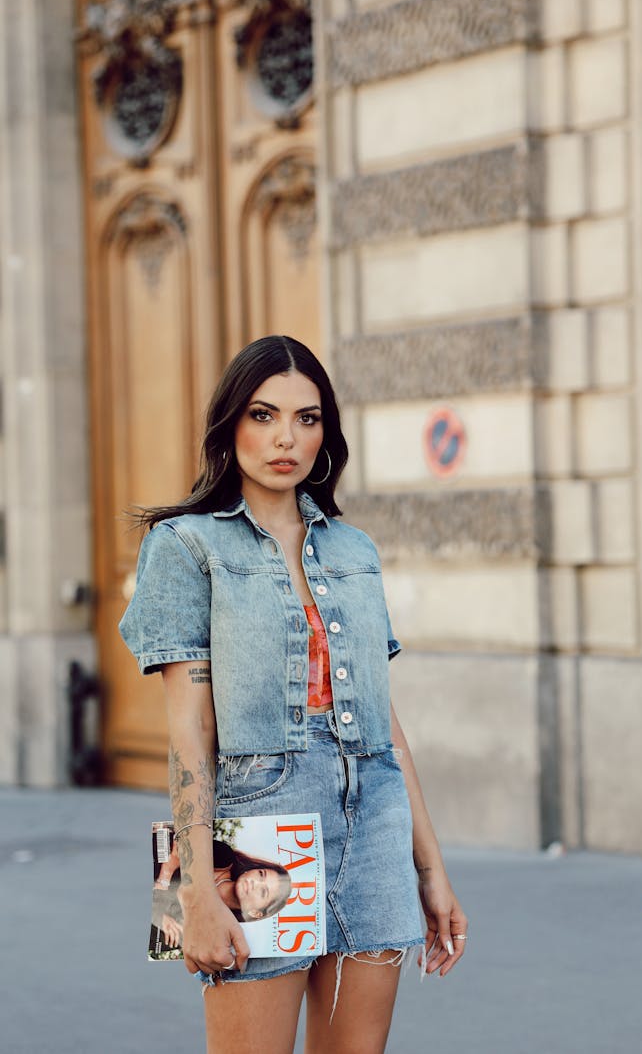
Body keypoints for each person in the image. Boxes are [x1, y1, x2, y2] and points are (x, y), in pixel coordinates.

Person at [119, 335, 467, 1054]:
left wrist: (430, 870)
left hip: (373, 823)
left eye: (307, 418)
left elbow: (386, 726)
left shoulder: (353, 550)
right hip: (256, 823)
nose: (286, 437)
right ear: (230, 425)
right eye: (263, 414)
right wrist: (192, 889)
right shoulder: (186, 547)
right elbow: (190, 731)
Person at [152, 839, 292, 950]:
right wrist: (167, 871)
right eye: (261, 874)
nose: (255, 883)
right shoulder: (222, 858)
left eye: (263, 891)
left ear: (256, 913)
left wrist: (168, 871)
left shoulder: (211, 933)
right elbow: (174, 843)